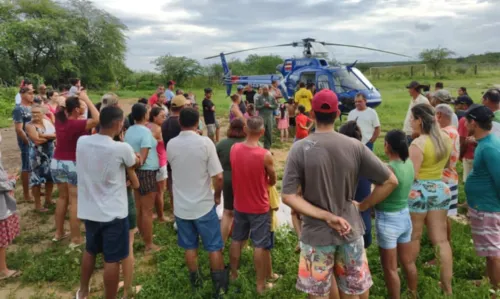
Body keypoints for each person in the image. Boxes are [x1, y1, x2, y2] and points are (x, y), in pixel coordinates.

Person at [281, 89, 398, 299]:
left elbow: (288, 196)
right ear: (337, 114)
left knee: (317, 293)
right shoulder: (355, 146)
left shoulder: (299, 148)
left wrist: (326, 216)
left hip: (315, 235)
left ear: (312, 114)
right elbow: (390, 181)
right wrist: (363, 206)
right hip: (350, 230)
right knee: (353, 290)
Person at [75, 106, 140, 299]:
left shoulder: (82, 141)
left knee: (90, 251)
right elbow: (133, 163)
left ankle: (83, 291)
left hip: (89, 210)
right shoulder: (121, 148)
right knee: (112, 260)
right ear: (120, 124)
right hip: (114, 213)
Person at [167, 108, 228, 297]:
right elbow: (218, 177)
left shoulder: (171, 144)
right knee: (214, 246)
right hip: (203, 205)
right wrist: (217, 197)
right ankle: (219, 288)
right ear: (198, 123)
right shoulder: (205, 143)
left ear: (180, 123)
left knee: (189, 246)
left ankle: (196, 282)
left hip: (182, 207)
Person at [356, 130, 416, 299]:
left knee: (390, 268)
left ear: (387, 146)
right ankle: (413, 293)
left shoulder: (389, 170)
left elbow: (379, 192)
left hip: (388, 220)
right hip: (404, 215)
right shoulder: (408, 163)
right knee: (408, 261)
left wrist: (363, 205)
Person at [407, 103, 453, 295]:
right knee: (441, 240)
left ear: (419, 120)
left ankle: (411, 285)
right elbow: (448, 165)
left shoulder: (418, 143)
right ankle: (447, 287)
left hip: (419, 192)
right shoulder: (445, 138)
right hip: (440, 189)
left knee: (414, 236)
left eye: (412, 118)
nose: (410, 121)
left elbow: (412, 175)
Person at [229, 116, 277, 294]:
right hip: (259, 206)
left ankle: (233, 274)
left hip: (239, 204)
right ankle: (260, 285)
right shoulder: (265, 155)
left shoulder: (234, 148)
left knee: (236, 240)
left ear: (245, 129)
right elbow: (273, 179)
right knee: (260, 245)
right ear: (262, 132)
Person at [51, 92, 100, 247]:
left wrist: (65, 99)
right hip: (72, 163)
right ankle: (76, 238)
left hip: (57, 162)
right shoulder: (77, 124)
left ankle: (58, 233)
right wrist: (87, 98)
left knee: (62, 198)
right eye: (81, 106)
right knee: (75, 200)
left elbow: (59, 107)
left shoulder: (59, 120)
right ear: (77, 110)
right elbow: (98, 119)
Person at [463, 105, 500, 296]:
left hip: (488, 208)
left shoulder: (490, 148)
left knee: (493, 254)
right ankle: (488, 280)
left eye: (467, 121)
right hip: (482, 205)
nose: (465, 124)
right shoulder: (484, 143)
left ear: (474, 123)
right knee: (489, 249)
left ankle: (496, 291)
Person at [124, 103, 160, 253]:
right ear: (144, 115)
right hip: (146, 172)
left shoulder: (129, 130)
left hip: (135, 173)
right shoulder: (145, 132)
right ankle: (149, 244)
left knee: (139, 207)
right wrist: (135, 167)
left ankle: (144, 234)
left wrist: (130, 171)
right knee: (147, 210)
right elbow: (142, 159)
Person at [338, 121, 374, 249]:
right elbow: (388, 182)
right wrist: (370, 204)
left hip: (344, 229)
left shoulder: (337, 163)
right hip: (364, 225)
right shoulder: (368, 160)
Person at [216, 119, 246, 243]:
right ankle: (241, 243)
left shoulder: (221, 144)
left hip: (226, 180)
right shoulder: (249, 144)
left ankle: (221, 244)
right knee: (244, 214)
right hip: (245, 181)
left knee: (227, 212)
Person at [25, 104, 56, 212]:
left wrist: (42, 136)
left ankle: (48, 199)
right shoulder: (29, 125)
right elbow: (36, 141)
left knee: (49, 177)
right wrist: (49, 137)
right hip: (37, 156)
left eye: (37, 112)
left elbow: (56, 135)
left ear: (42, 114)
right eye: (33, 112)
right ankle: (38, 206)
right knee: (36, 180)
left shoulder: (47, 123)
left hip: (49, 154)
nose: (34, 115)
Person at [436, 104, 460, 228]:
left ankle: (441, 245)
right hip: (452, 176)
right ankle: (447, 244)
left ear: (439, 115)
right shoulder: (454, 130)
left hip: (442, 179)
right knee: (446, 218)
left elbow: (441, 158)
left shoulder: (443, 133)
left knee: (439, 220)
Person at [162, 95, 186, 213]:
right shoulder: (182, 123)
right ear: (182, 107)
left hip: (169, 158)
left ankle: (174, 209)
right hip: (183, 159)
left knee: (172, 185)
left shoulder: (165, 122)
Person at [12, 86, 34, 202]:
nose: (32, 95)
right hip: (26, 142)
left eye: (32, 93)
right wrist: (27, 141)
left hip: (34, 140)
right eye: (30, 93)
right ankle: (26, 194)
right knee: (26, 167)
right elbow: (19, 129)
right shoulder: (18, 109)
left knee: (33, 166)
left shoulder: (30, 107)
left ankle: (34, 188)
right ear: (22, 94)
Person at [147, 107, 168, 223]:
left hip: (149, 163)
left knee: (151, 191)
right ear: (154, 117)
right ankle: (161, 217)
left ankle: (152, 213)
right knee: (160, 191)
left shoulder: (146, 126)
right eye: (162, 116)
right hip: (160, 162)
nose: (164, 118)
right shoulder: (158, 129)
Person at [255, 85, 278, 150]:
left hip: (269, 117)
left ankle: (267, 148)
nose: (265, 91)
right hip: (261, 116)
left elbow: (276, 106)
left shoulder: (272, 97)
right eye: (264, 89)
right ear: (262, 90)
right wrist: (263, 105)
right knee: (259, 132)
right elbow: (256, 107)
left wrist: (270, 106)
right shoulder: (258, 97)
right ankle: (257, 146)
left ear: (268, 89)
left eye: (266, 89)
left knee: (269, 132)